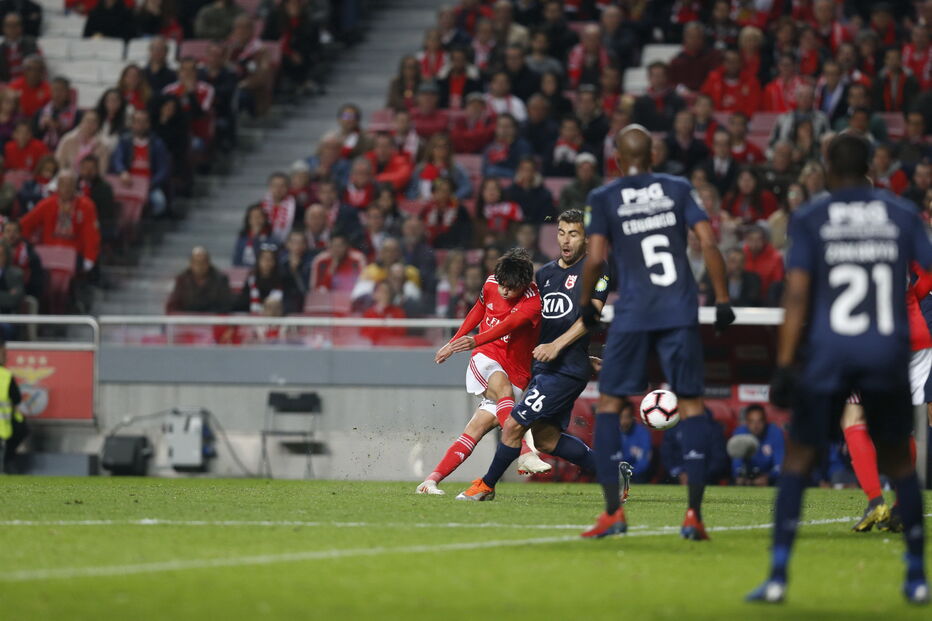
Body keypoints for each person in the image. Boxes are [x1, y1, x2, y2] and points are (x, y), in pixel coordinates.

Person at [747, 133, 930, 605]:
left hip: (831, 352)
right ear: (871, 165)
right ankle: (916, 577)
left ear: (828, 168)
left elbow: (797, 294)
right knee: (900, 462)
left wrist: (785, 364)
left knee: (800, 458)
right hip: (886, 352)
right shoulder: (901, 214)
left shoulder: (813, 217)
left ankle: (778, 576)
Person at [578, 125, 734, 539]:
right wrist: (722, 300)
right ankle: (694, 515)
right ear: (653, 157)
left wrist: (587, 307)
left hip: (633, 313)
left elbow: (595, 259)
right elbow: (708, 242)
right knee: (693, 405)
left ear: (616, 159)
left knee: (609, 403)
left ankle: (613, 513)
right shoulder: (677, 188)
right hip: (679, 310)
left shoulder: (604, 197)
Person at [458, 209, 610, 499]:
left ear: (587, 240)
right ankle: (612, 472)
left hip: (565, 369)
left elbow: (591, 317)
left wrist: (559, 346)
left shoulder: (597, 269)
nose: (565, 240)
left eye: (574, 234)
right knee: (546, 439)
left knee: (514, 424)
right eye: (561, 232)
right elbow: (529, 321)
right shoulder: (545, 274)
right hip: (542, 368)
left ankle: (486, 486)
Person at [416, 248, 546, 495]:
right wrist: (454, 342)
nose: (504, 291)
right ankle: (526, 452)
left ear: (524, 285)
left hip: (516, 371)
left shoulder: (533, 303)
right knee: (503, 388)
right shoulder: (491, 283)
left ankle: (430, 481)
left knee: (475, 430)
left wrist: (474, 339)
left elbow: (507, 325)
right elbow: (479, 308)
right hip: (486, 357)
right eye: (502, 285)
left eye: (511, 288)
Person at [19, 170, 99, 274]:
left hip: (74, 252)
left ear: (75, 186)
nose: (66, 188)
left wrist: (89, 257)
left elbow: (90, 233)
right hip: (49, 250)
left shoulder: (86, 206)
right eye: (63, 184)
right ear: (58, 186)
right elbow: (26, 223)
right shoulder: (47, 204)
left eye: (70, 185)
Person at [109, 109, 171, 218]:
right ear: (132, 124)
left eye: (143, 122)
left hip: (149, 184)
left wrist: (152, 183)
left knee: (159, 202)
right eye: (137, 121)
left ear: (148, 124)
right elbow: (117, 159)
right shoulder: (124, 141)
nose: (140, 125)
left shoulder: (157, 143)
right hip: (127, 182)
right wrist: (122, 172)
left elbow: (163, 169)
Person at [166, 246, 232, 313]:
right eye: (197, 263)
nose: (200, 266)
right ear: (191, 263)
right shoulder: (182, 279)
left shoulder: (221, 279)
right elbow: (173, 305)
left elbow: (226, 304)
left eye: (203, 262)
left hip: (213, 317)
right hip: (187, 317)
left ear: (208, 263)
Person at [731, 404, 785, 486]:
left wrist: (769, 478)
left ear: (765, 421)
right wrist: (739, 476)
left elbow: (779, 464)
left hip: (769, 479)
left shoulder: (775, 433)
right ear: (746, 422)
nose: (756, 426)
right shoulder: (740, 433)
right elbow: (737, 462)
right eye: (752, 421)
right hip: (746, 478)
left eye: (759, 421)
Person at [0, 336, 27, 472]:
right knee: (22, 428)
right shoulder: (5, 376)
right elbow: (17, 399)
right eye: (3, 353)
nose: (6, 357)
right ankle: (7, 464)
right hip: (4, 428)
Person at [233, 245, 283, 315]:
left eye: (270, 259)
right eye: (264, 258)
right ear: (258, 261)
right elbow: (243, 302)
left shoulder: (281, 280)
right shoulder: (251, 280)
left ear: (275, 262)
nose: (267, 262)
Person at [619, 400, 653, 484]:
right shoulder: (611, 432)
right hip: (614, 474)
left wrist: (629, 473)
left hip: (635, 475)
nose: (624, 421)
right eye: (621, 417)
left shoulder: (642, 432)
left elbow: (645, 459)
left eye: (627, 417)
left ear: (632, 417)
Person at [0, 13, 38, 82]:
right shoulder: (1, 50)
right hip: (8, 85)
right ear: (4, 28)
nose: (12, 29)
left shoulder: (32, 45)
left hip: (28, 84)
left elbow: (39, 68)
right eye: (9, 26)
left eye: (15, 25)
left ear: (21, 27)